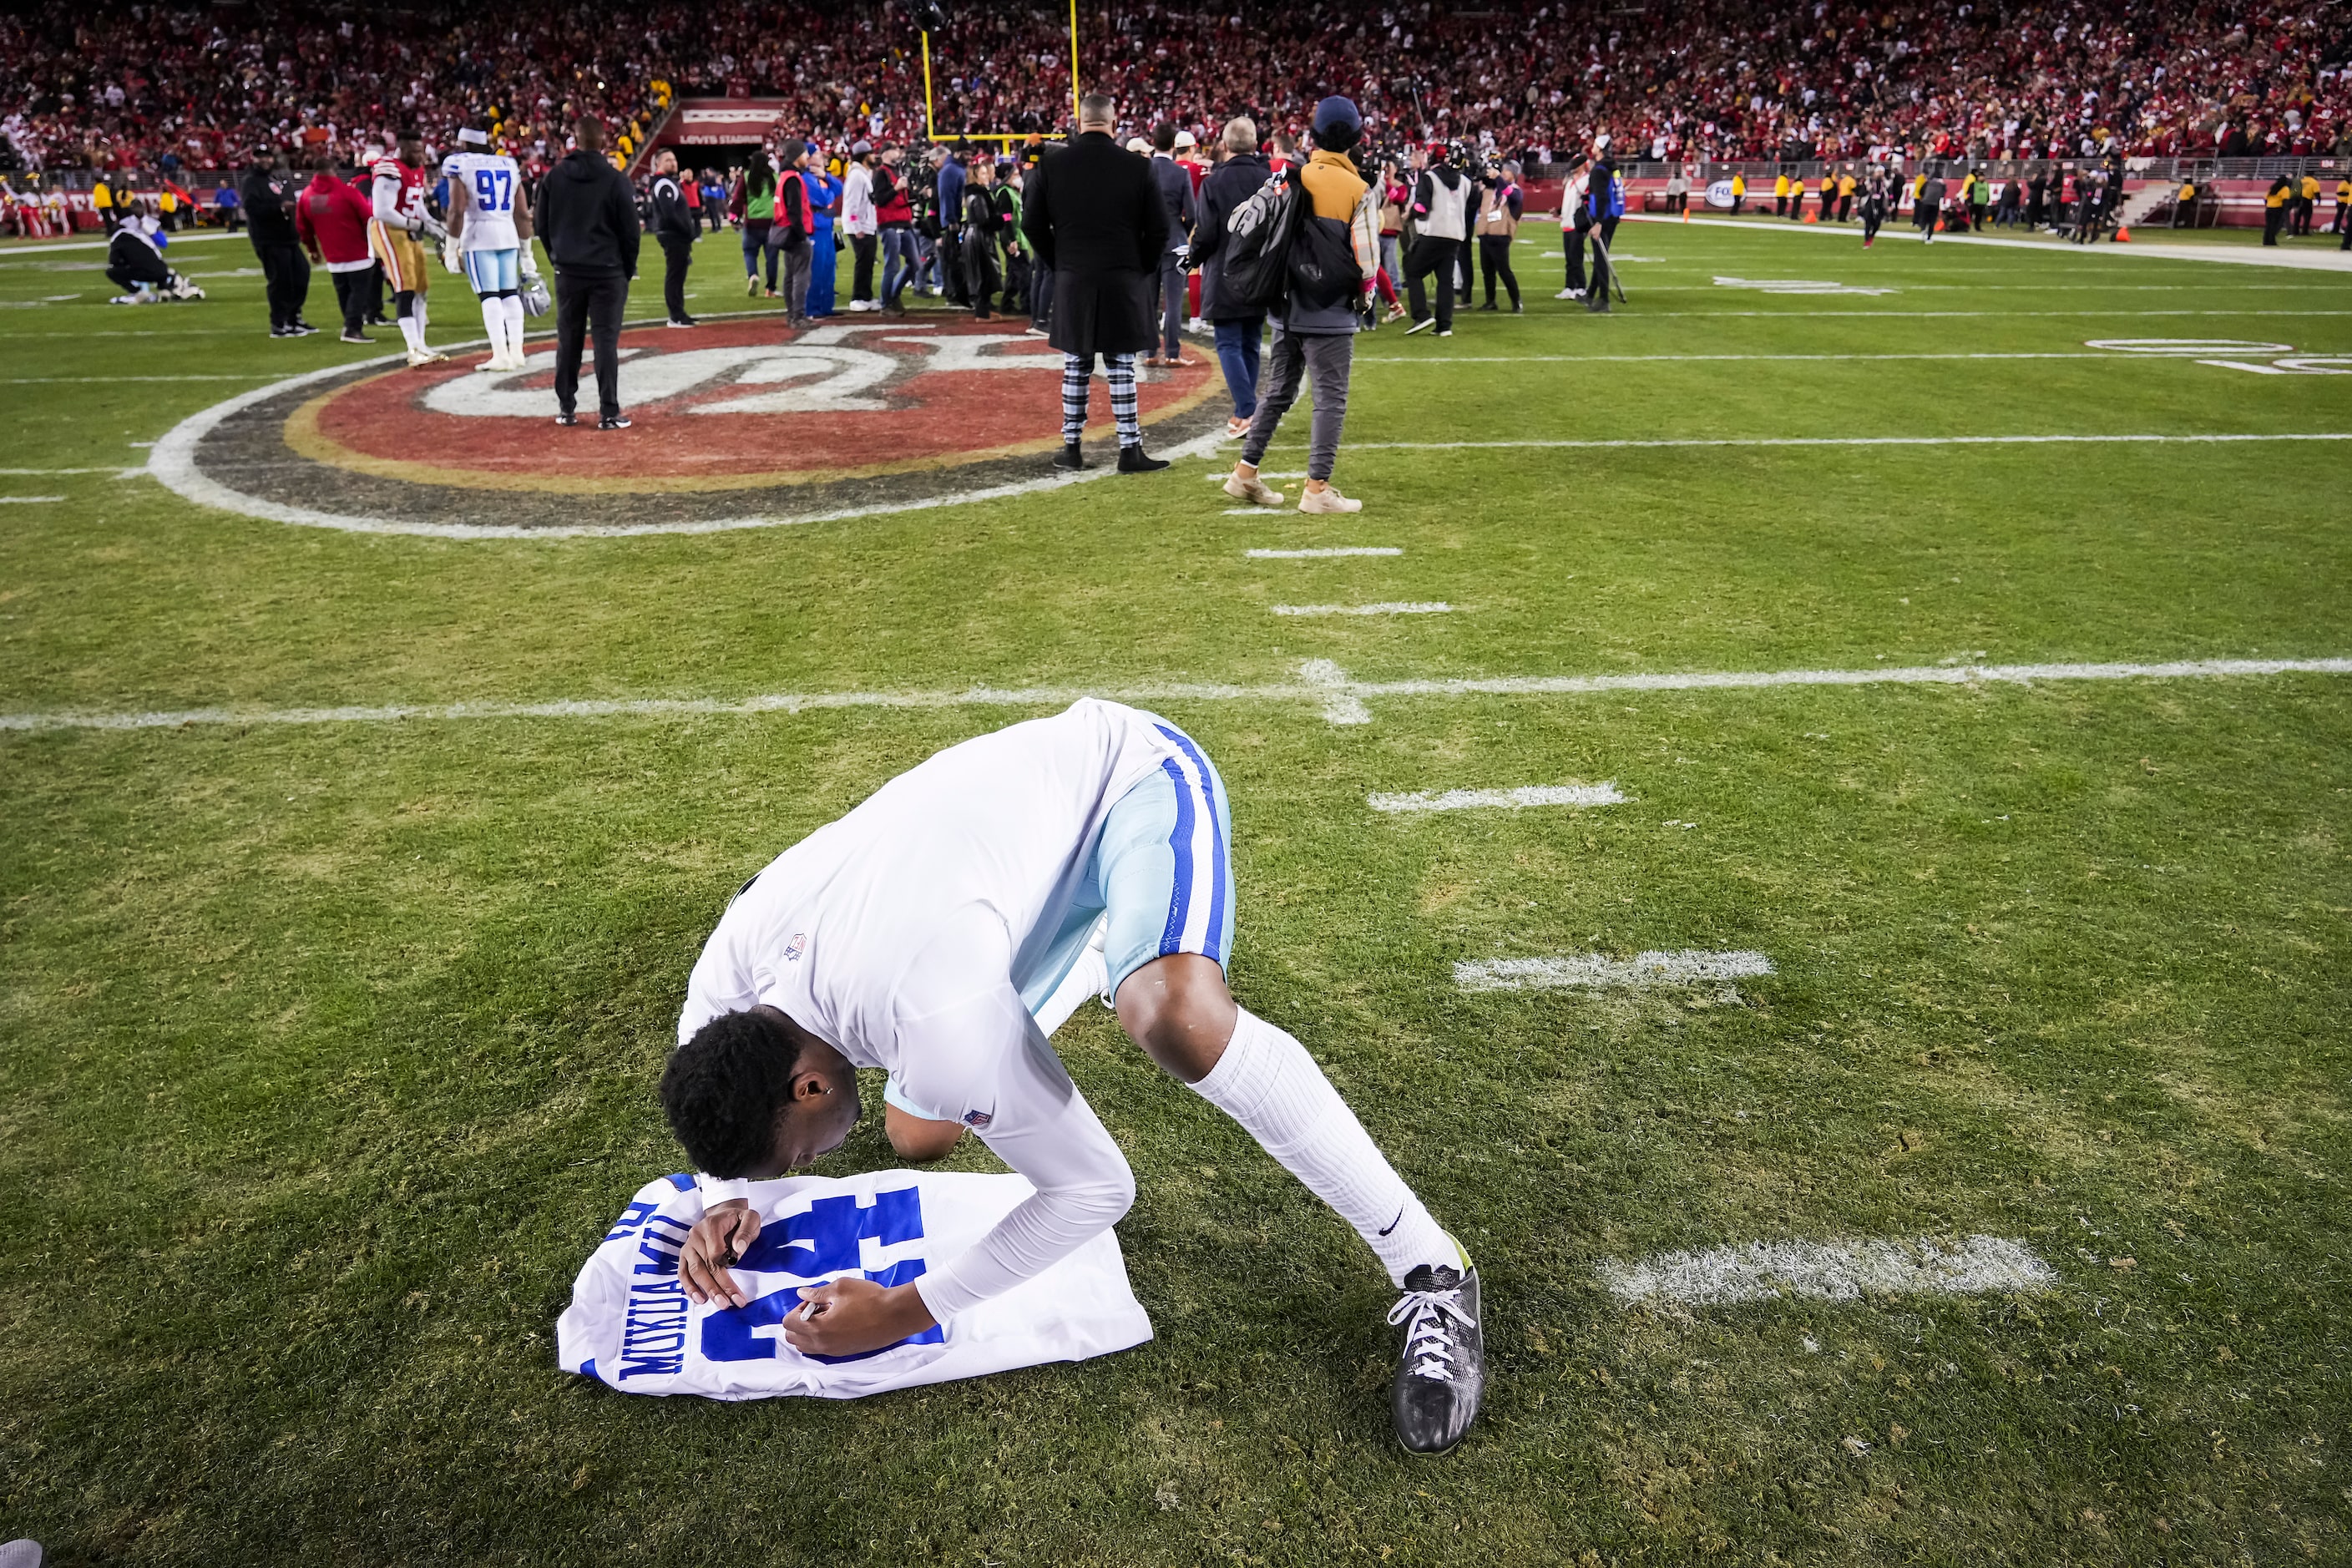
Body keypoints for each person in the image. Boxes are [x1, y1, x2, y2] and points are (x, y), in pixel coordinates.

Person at [662, 700, 1485, 1455]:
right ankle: (1098, 944)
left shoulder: (933, 1019)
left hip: (1125, 780)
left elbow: (1095, 1191)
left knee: (1173, 1017)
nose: (807, 1168)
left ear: (810, 1087)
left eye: (798, 1160)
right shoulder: (731, 967)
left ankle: (1431, 1268)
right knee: (922, 1131)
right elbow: (715, 1053)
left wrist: (905, 1309)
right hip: (994, 900)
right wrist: (722, 1197)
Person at [1224, 95, 1379, 518]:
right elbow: (1367, 261)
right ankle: (1317, 488)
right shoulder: (1358, 189)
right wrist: (1364, 301)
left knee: (1278, 392)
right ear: (1355, 137)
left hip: (1287, 307)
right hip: (1329, 309)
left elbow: (1239, 220)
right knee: (1330, 398)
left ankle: (1245, 472)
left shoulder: (1289, 176)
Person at [1020, 93, 1172, 475]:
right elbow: (1159, 228)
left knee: (1076, 364)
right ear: (1113, 122)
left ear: (1079, 121)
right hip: (1123, 275)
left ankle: (1071, 448)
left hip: (1073, 275)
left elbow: (1032, 224)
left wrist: (1060, 263)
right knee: (1121, 365)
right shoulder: (1138, 168)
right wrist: (1141, 268)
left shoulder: (1051, 166)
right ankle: (1129, 449)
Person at [534, 114, 640, 430]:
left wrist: (557, 256)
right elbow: (630, 231)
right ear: (604, 141)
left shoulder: (554, 177)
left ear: (575, 140)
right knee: (606, 341)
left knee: (569, 339)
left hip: (569, 269)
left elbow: (541, 224)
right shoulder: (615, 178)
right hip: (608, 271)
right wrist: (626, 268)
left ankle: (567, 408)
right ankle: (609, 411)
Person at [1192, 115, 1272, 439]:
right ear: (1256, 144)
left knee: (1228, 342)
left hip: (1226, 270)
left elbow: (1207, 234)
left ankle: (1246, 410)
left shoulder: (1214, 182)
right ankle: (1246, 410)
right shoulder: (1270, 179)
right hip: (1262, 271)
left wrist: (1192, 258)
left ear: (1224, 146)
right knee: (1251, 341)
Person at [443, 125, 537, 369]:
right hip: (508, 233)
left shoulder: (460, 163)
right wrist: (527, 253)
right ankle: (517, 352)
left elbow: (456, 210)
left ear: (464, 144)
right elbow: (522, 214)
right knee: (509, 294)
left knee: (489, 295)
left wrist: (451, 248)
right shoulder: (508, 164)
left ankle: (500, 355)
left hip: (479, 234)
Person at [371, 130, 446, 364]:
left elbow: (416, 204)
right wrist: (420, 225)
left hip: (410, 229)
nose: (419, 155)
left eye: (421, 150)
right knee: (405, 287)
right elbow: (382, 211)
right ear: (400, 150)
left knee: (421, 288)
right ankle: (413, 349)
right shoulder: (389, 169)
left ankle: (421, 345)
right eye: (414, 151)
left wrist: (434, 225)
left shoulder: (417, 169)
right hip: (389, 229)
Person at [296, 156, 380, 341]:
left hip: (332, 254)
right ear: (334, 170)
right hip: (358, 251)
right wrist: (374, 244)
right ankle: (352, 328)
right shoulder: (347, 192)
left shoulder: (307, 195)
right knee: (359, 292)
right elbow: (368, 218)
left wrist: (313, 250)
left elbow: (303, 227)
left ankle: (350, 325)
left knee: (344, 292)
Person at [240, 145, 313, 337]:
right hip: (268, 238)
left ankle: (293, 316)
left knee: (301, 276)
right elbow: (252, 208)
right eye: (260, 157)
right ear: (253, 159)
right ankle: (278, 323)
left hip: (289, 236)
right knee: (280, 281)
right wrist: (279, 208)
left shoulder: (279, 178)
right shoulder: (251, 181)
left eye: (267, 156)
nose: (264, 160)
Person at [1403, 144, 1468, 336]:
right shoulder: (1465, 180)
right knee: (1445, 280)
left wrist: (1410, 214)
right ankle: (1444, 325)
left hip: (1435, 232)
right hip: (1455, 235)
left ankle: (1421, 314)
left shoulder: (1429, 177)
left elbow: (1422, 207)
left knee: (1412, 270)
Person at [1146, 123, 1196, 367]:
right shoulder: (1180, 173)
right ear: (1174, 145)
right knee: (1173, 302)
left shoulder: (1142, 170)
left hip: (1147, 244)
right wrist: (1181, 233)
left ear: (1152, 141)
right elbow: (1193, 213)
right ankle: (1173, 353)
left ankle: (1150, 353)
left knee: (1149, 300)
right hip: (1175, 243)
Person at [648, 149, 699, 327]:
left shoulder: (668, 183)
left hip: (674, 235)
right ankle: (676, 315)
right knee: (675, 275)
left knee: (677, 275)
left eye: (674, 160)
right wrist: (686, 230)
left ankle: (679, 312)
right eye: (668, 160)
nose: (673, 163)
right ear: (658, 163)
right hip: (673, 235)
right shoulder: (664, 184)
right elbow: (669, 213)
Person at [104, 215, 203, 304]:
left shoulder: (117, 239)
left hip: (143, 272)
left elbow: (114, 261)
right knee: (160, 272)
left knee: (112, 272)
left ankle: (136, 292)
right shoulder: (142, 236)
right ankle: (167, 288)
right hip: (160, 270)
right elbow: (157, 252)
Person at [770, 140, 816, 326]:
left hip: (785, 232)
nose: (808, 158)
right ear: (797, 156)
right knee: (800, 276)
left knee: (790, 275)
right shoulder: (793, 179)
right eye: (805, 154)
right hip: (794, 233)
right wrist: (802, 235)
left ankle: (792, 314)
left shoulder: (784, 176)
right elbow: (794, 211)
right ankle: (798, 316)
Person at [1474, 159, 1522, 313]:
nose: (1503, 173)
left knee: (1504, 271)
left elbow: (1511, 195)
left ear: (1514, 175)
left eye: (1506, 171)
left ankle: (1516, 301)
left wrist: (1498, 178)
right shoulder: (1492, 189)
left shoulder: (1516, 190)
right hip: (1486, 233)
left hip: (1501, 235)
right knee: (1487, 271)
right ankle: (1490, 301)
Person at [874, 145, 917, 314]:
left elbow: (905, 198)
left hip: (904, 222)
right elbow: (880, 200)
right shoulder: (881, 173)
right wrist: (896, 188)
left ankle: (893, 295)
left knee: (915, 263)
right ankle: (885, 304)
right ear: (885, 153)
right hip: (889, 224)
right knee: (892, 265)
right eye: (895, 150)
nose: (898, 153)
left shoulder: (898, 171)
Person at [961, 154, 1002, 321]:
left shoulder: (974, 193)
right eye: (983, 174)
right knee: (984, 273)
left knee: (982, 273)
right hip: (979, 237)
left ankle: (984, 310)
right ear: (975, 176)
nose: (987, 176)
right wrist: (999, 220)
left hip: (975, 235)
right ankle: (982, 312)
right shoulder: (979, 194)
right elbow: (984, 219)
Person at [842, 142, 879, 311]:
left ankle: (866, 296)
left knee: (868, 262)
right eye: (871, 153)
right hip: (861, 226)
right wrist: (857, 227)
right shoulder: (857, 176)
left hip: (866, 224)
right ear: (865, 156)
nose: (874, 157)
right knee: (863, 262)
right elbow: (852, 204)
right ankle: (858, 297)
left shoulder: (862, 174)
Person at [805, 151, 841, 317]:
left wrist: (825, 176)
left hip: (827, 228)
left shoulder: (822, 178)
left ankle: (827, 307)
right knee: (816, 270)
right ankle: (813, 308)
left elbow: (840, 189)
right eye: (817, 154)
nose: (822, 157)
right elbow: (824, 198)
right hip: (816, 229)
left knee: (829, 269)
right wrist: (828, 189)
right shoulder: (806, 177)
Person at [738, 150, 776, 296]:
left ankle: (753, 274)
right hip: (772, 222)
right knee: (771, 257)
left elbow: (738, 198)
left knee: (749, 252)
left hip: (752, 222)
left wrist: (734, 215)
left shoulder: (747, 177)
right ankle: (770, 289)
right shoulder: (774, 177)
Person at [935, 144, 969, 305]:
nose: (969, 156)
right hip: (953, 223)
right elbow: (947, 197)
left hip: (958, 221)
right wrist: (951, 220)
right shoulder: (950, 171)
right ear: (957, 152)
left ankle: (958, 293)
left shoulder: (955, 169)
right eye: (966, 153)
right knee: (953, 259)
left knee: (957, 259)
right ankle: (953, 294)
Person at [1859, 160, 1889, 248]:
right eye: (1878, 172)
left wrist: (1890, 204)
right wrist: (1867, 189)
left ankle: (1871, 236)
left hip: (1880, 204)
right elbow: (1861, 193)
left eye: (1881, 172)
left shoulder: (1885, 182)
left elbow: (1889, 193)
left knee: (1877, 223)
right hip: (1870, 202)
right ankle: (1867, 240)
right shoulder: (1869, 181)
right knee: (1868, 222)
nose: (1880, 174)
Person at [2263, 173, 2290, 245]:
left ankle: (2266, 241)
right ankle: (2272, 241)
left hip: (2269, 209)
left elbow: (2265, 198)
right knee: (2275, 226)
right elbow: (2285, 201)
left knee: (2268, 226)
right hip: (2277, 209)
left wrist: (2268, 205)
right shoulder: (2285, 189)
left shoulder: (2272, 188)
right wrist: (2285, 210)